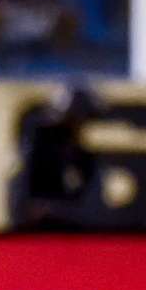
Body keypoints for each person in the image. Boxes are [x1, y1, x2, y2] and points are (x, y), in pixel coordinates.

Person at [9, 81, 101, 231]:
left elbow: (93, 210)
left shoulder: (83, 157)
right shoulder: (37, 149)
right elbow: (20, 207)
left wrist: (52, 210)